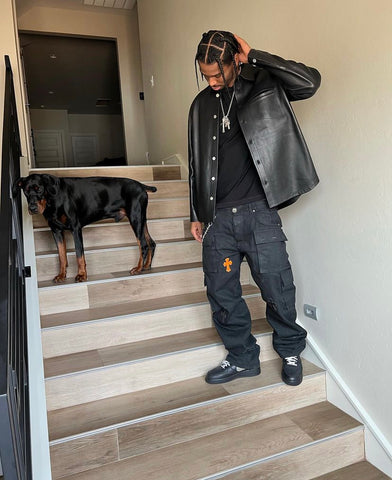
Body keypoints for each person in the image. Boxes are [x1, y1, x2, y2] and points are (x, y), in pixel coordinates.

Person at [188, 30, 321, 386]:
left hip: (259, 213)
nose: (212, 82)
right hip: (218, 221)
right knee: (221, 291)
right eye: (206, 76)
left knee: (278, 286)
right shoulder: (201, 105)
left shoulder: (263, 83)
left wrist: (257, 56)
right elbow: (195, 164)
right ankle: (243, 357)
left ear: (235, 61)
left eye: (218, 74)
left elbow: (309, 82)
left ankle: (290, 350)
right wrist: (196, 213)